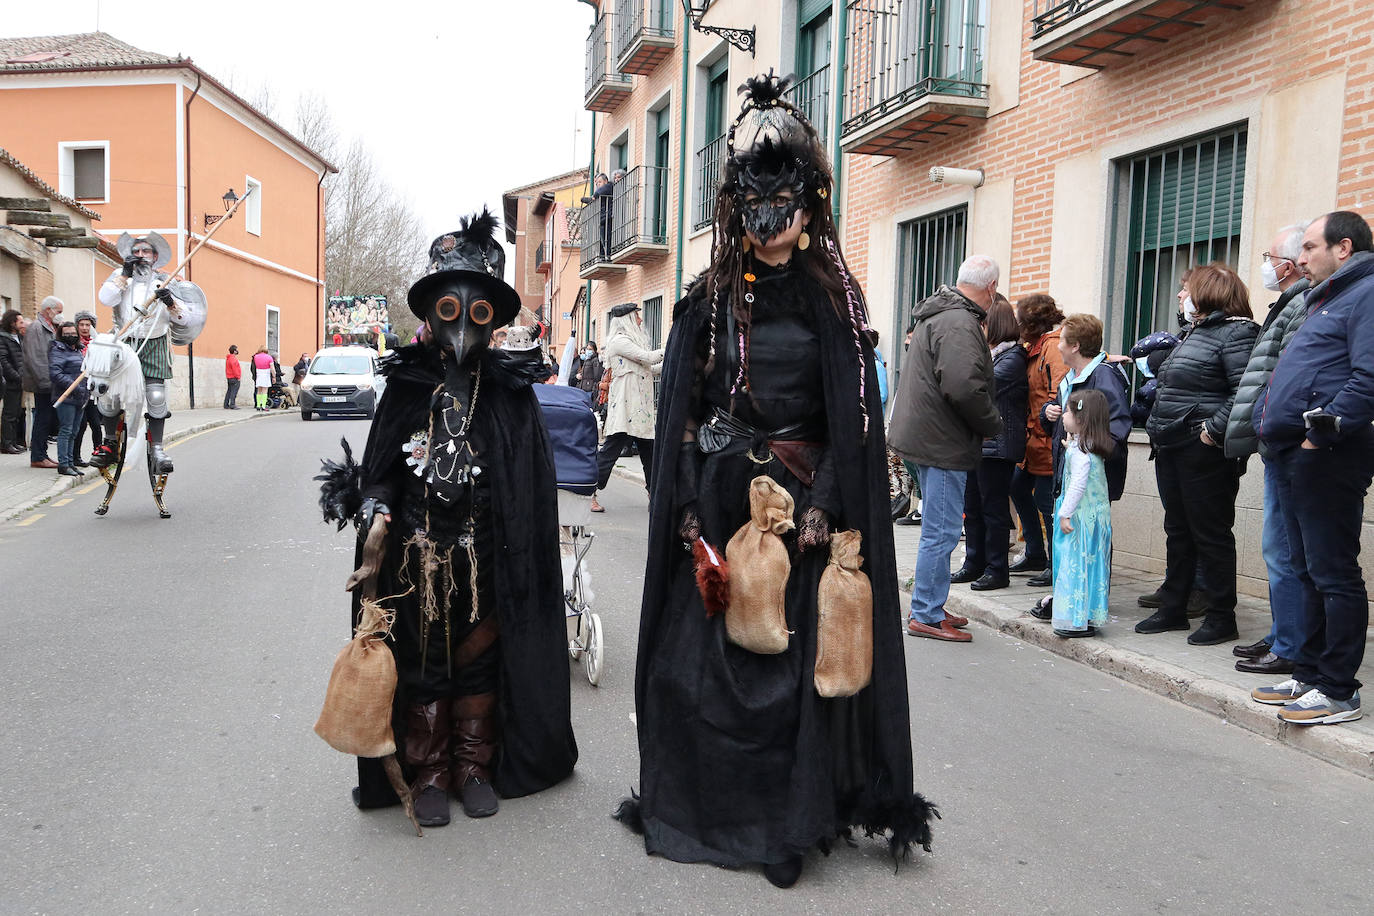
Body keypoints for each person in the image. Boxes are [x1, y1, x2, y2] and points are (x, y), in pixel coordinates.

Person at [615, 73, 936, 888]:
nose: (770, 227)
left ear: (808, 208)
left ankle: (784, 827)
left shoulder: (836, 307)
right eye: (756, 211)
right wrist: (684, 503)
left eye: (785, 208)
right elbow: (681, 412)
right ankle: (704, 810)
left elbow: (853, 422)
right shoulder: (707, 300)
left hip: (800, 514)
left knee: (786, 676)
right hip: (721, 504)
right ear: (737, 211)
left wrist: (827, 503)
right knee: (694, 672)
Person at [323, 210, 577, 826]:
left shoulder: (512, 396)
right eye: (449, 306)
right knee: (424, 659)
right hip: (416, 558)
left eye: (478, 310)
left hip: (489, 553)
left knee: (482, 656)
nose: (463, 321)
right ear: (431, 312)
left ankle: (473, 765)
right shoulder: (407, 388)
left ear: (493, 318)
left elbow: (530, 483)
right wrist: (377, 513)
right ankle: (429, 768)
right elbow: (379, 469)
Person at [1252, 211, 1374, 725]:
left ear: (1342, 248)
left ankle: (1339, 689)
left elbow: (1368, 378)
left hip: (1328, 455)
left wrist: (1317, 434)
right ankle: (1308, 672)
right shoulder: (1323, 298)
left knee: (1332, 573)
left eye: (1308, 247)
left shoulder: (1365, 294)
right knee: (1304, 570)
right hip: (1293, 453)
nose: (1298, 259)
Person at [1138, 264, 1257, 644]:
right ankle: (1173, 608)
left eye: (1185, 289)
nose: (1179, 296)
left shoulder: (1237, 333)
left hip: (1201, 449)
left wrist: (1212, 431)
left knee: (1211, 535)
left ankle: (1222, 617)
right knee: (1178, 531)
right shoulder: (1196, 333)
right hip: (1172, 444)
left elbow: (1245, 391)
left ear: (1209, 292)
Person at [888, 255, 1003, 642]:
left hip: (926, 437)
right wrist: (992, 424)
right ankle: (925, 613)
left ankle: (930, 602)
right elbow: (963, 386)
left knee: (938, 528)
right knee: (941, 530)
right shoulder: (959, 322)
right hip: (941, 442)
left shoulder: (942, 314)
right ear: (990, 288)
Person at [1223, 223, 1311, 675]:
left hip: (1289, 442)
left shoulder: (1302, 305)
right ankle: (1284, 633)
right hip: (1276, 440)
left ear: (1290, 263)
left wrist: (1264, 422)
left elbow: (1284, 377)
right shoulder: (1288, 304)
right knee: (1277, 548)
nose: (1265, 264)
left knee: (1284, 550)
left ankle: (1291, 644)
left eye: (1269, 255)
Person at [91, 232, 207, 478]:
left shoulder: (168, 281)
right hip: (124, 343)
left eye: (146, 252)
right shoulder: (119, 278)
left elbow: (184, 318)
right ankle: (110, 443)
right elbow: (105, 298)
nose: (140, 256)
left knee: (155, 396)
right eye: (136, 252)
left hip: (154, 343)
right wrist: (124, 274)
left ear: (155, 257)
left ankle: (157, 449)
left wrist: (170, 303)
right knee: (110, 395)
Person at [1037, 314, 1131, 612]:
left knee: (1089, 537)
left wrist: (1086, 449)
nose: (1058, 346)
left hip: (1090, 476)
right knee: (1071, 534)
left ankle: (1088, 601)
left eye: (1062, 340)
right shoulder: (1070, 377)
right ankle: (1068, 595)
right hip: (1070, 468)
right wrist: (1048, 413)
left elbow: (1117, 426)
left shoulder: (1103, 376)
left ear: (1075, 346)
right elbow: (1065, 416)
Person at [953, 296, 1027, 592]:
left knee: (993, 510)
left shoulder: (1013, 359)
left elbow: (980, 386)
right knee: (972, 507)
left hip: (998, 447)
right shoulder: (993, 355)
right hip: (978, 444)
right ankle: (974, 562)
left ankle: (997, 569)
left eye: (981, 323)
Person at [1038, 389, 1114, 638]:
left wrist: (1065, 513)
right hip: (1095, 519)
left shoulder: (1080, 452)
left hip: (1079, 520)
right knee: (1091, 567)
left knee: (1074, 565)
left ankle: (1073, 618)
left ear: (1081, 418)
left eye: (1068, 411)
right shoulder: (1089, 447)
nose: (1063, 415)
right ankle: (1089, 615)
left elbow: (1078, 484)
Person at [1008, 294, 1066, 584]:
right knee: (1018, 489)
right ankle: (1035, 552)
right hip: (1032, 443)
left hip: (1046, 441)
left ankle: (1056, 564)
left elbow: (1059, 393)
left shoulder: (1053, 347)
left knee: (1047, 502)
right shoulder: (1034, 347)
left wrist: (1044, 430)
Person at [588, 303, 661, 513]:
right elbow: (647, 358)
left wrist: (673, 360)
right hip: (625, 408)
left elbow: (651, 368)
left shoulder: (631, 342)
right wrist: (671, 348)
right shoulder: (619, 341)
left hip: (641, 410)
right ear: (627, 319)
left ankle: (654, 495)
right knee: (610, 453)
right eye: (637, 316)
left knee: (650, 454)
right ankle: (589, 492)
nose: (640, 320)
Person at [21, 296, 62, 468]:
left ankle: (42, 454)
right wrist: (46, 382)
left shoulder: (48, 327)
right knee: (42, 419)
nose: (60, 315)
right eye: (58, 311)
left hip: (48, 382)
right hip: (43, 383)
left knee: (46, 419)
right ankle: (38, 456)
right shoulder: (36, 328)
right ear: (48, 310)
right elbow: (36, 358)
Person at [48, 321, 87, 477]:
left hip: (80, 396)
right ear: (61, 335)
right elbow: (55, 374)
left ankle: (70, 463)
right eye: (67, 334)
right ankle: (63, 464)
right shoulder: (57, 350)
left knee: (74, 431)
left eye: (73, 333)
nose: (71, 336)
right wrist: (75, 387)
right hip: (66, 396)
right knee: (66, 430)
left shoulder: (78, 350)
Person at [71, 311, 101, 466]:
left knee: (96, 424)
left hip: (93, 391)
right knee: (81, 426)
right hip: (79, 390)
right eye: (81, 325)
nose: (84, 328)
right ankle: (75, 457)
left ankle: (99, 454)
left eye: (87, 325)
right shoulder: (74, 343)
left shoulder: (97, 342)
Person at [0, 310, 26, 454]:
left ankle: (14, 442)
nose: (22, 325)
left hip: (19, 380)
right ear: (12, 323)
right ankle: (6, 443)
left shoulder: (18, 337)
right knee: (9, 414)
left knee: (16, 413)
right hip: (10, 382)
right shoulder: (3, 338)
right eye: (20, 322)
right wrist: (16, 376)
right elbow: (4, 361)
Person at [251, 346, 273, 410]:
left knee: (259, 390)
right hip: (266, 373)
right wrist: (274, 376)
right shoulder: (269, 357)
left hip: (258, 374)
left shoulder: (255, 357)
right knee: (264, 391)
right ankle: (263, 405)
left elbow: (253, 367)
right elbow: (272, 368)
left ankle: (258, 405)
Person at [224, 345, 242, 409]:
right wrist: (238, 377)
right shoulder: (233, 359)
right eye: (236, 350)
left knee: (229, 391)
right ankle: (232, 404)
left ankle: (226, 404)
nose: (237, 351)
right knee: (234, 391)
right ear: (234, 351)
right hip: (234, 377)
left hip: (229, 377)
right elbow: (235, 369)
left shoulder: (228, 358)